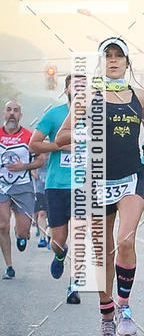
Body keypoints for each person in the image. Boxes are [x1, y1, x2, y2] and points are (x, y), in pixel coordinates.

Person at [56, 38, 144, 336]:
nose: (113, 60)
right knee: (104, 255)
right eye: (108, 56)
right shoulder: (87, 98)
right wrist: (86, 131)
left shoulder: (140, 96)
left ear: (127, 63)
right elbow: (61, 136)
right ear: (101, 62)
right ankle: (106, 319)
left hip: (132, 177)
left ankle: (124, 306)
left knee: (127, 239)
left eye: (119, 56)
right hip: (98, 180)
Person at [29, 74, 80, 303]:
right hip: (57, 185)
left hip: (84, 186)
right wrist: (59, 145)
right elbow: (34, 143)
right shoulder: (55, 114)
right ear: (66, 89)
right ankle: (60, 256)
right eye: (75, 85)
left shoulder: (97, 117)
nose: (79, 89)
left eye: (84, 86)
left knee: (81, 236)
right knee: (58, 241)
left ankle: (74, 284)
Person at [0, 100, 43, 279]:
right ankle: (9, 266)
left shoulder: (29, 136)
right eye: (9, 110)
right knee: (2, 225)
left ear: (20, 116)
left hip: (23, 186)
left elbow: (40, 160)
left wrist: (24, 166)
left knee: (23, 229)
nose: (12, 113)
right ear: (4, 113)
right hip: (2, 186)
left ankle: (21, 236)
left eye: (15, 111)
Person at [32, 154, 49, 248]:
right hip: (39, 189)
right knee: (41, 213)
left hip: (52, 187)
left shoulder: (55, 153)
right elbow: (32, 169)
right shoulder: (37, 154)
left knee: (52, 214)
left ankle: (50, 236)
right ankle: (43, 237)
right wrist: (34, 172)